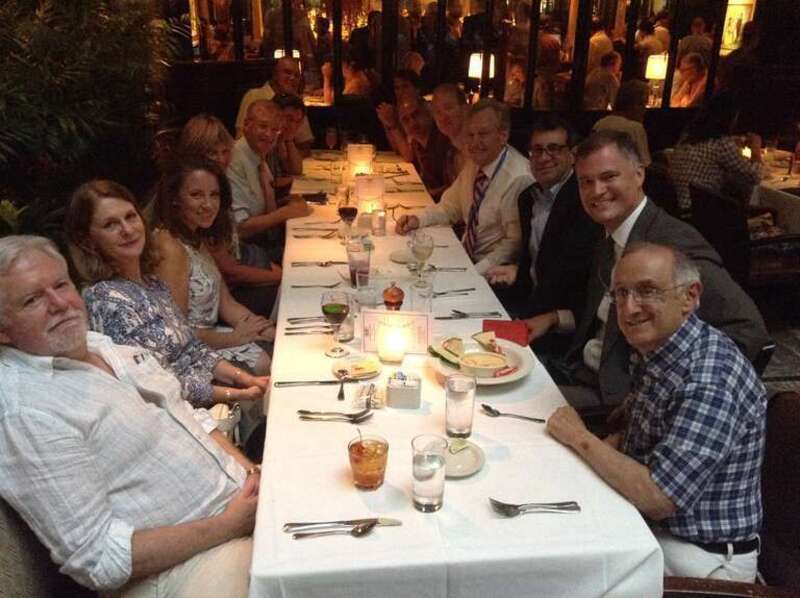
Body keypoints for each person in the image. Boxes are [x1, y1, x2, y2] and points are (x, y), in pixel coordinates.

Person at [0, 235, 260, 596]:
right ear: (3, 331)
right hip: (182, 570)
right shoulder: (27, 411)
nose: (59, 304)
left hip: (240, 510)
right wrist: (229, 525)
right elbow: (100, 559)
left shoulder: (102, 346)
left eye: (61, 285)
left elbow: (186, 415)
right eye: (32, 300)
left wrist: (251, 472)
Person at [548, 242, 765, 582]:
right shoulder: (664, 347)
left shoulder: (710, 380)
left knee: (555, 565)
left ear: (690, 296)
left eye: (647, 291)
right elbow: (642, 428)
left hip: (701, 559)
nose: (629, 309)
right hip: (657, 525)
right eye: (620, 294)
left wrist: (579, 438)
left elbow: (659, 497)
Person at [525, 130, 768, 409]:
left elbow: (750, 331)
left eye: (608, 177)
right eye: (586, 182)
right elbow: (606, 315)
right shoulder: (609, 234)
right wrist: (556, 318)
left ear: (639, 174)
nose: (596, 191)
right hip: (580, 367)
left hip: (619, 398)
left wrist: (664, 397)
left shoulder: (672, 245)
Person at [66, 179, 268, 408]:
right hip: (177, 416)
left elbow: (193, 348)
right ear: (88, 241)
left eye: (130, 217)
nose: (127, 230)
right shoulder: (106, 299)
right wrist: (234, 393)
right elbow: (156, 385)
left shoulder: (152, 283)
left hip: (204, 396)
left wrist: (244, 379)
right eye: (110, 225)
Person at [153, 156, 274, 374]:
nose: (208, 205)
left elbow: (226, 304)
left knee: (284, 347)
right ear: (174, 199)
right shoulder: (169, 246)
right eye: (196, 195)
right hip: (190, 354)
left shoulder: (195, 238)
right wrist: (233, 338)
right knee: (271, 363)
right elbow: (177, 330)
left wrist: (268, 330)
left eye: (214, 195)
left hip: (215, 336)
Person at [486, 116, 603, 331]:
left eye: (554, 149)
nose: (544, 157)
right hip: (527, 302)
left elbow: (575, 277)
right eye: (537, 150)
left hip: (562, 323)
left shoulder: (584, 203)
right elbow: (536, 260)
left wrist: (542, 318)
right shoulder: (527, 198)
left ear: (572, 154)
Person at [395, 99, 532, 274]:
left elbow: (512, 245)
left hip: (492, 273)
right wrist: (417, 219)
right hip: (463, 258)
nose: (474, 143)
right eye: (470, 135)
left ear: (503, 135)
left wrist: (474, 272)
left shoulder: (518, 178)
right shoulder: (475, 165)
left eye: (483, 134)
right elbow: (449, 208)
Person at [176, 113, 283, 317]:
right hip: (223, 298)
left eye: (225, 151)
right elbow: (230, 272)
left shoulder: (218, 187)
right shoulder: (193, 204)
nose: (221, 159)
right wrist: (284, 277)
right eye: (212, 153)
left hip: (237, 273)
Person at [227, 100, 311, 266]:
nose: (269, 135)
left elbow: (259, 205)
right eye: (263, 126)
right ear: (246, 125)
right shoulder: (234, 160)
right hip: (246, 253)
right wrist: (286, 213)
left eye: (274, 130)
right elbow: (240, 228)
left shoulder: (258, 155)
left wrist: (288, 202)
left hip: (265, 244)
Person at [669, 94, 761, 211]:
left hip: (676, 205)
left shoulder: (688, 135)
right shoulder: (721, 143)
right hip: (696, 211)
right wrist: (756, 150)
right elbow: (755, 176)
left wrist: (733, 141)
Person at [234, 57, 314, 155]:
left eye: (297, 75)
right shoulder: (254, 96)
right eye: (287, 72)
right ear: (275, 75)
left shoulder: (296, 103)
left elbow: (305, 144)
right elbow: (241, 138)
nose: (292, 78)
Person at [397, 96, 453, 202]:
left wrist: (423, 193)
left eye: (416, 115)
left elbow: (453, 186)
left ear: (429, 113)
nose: (412, 123)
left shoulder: (444, 140)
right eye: (406, 120)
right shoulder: (416, 142)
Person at [593, 80, 652, 166]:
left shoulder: (599, 124)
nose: (644, 110)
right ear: (633, 105)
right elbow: (644, 163)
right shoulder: (635, 128)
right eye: (643, 104)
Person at [376, 69, 423, 163]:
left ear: (417, 89)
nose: (400, 92)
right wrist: (387, 124)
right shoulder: (397, 110)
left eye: (405, 86)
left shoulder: (422, 113)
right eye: (397, 88)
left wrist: (393, 126)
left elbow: (409, 157)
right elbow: (396, 149)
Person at [431, 83, 470, 186]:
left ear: (465, 109)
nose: (443, 117)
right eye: (438, 112)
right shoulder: (450, 149)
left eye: (448, 108)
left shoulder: (476, 149)